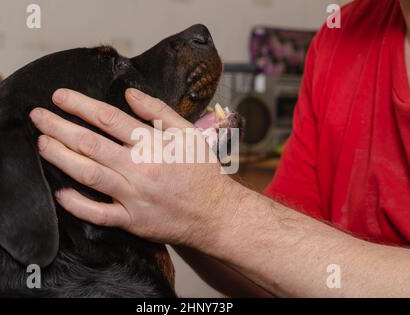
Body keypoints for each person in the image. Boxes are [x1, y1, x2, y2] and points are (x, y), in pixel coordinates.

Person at [29, 0, 410, 297]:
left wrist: (215, 211)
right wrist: (175, 202)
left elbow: (234, 225)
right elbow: (277, 267)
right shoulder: (339, 37)